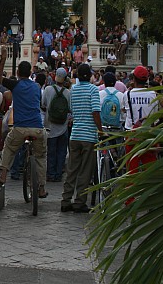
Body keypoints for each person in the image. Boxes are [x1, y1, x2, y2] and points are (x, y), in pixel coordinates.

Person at [0, 48, 48, 199]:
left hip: (20, 128)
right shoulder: (37, 87)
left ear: (18, 73)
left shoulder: (15, 85)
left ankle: (3, 175)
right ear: (30, 73)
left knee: (9, 148)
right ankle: (42, 187)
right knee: (41, 156)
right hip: (37, 128)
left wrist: (3, 58)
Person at [61, 63, 103, 213]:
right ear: (90, 75)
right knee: (85, 171)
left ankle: (65, 200)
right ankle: (79, 202)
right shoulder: (93, 90)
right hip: (89, 135)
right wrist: (101, 129)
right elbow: (96, 111)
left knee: (71, 169)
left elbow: (72, 109)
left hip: (75, 134)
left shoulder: (73, 90)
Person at [42, 68, 71, 182]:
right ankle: (58, 174)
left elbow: (43, 104)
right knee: (62, 151)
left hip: (50, 126)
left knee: (51, 151)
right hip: (63, 127)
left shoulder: (48, 89)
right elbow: (70, 109)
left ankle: (50, 174)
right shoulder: (68, 93)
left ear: (55, 77)